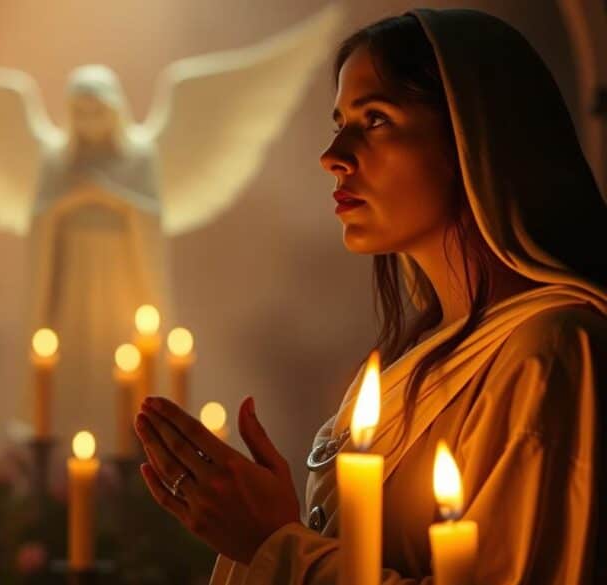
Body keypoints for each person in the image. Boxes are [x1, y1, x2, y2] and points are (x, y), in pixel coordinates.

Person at [133, 8, 607, 584]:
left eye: (375, 119)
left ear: (477, 137)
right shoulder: (411, 365)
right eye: (339, 122)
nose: (334, 155)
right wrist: (264, 532)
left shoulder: (553, 354)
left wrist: (272, 544)